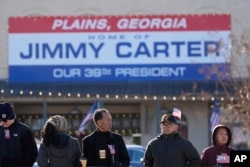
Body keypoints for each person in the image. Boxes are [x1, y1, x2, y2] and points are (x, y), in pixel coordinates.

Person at [0, 102, 38, 167]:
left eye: (3, 120)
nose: (1, 123)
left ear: (11, 117)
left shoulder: (24, 131)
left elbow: (32, 154)